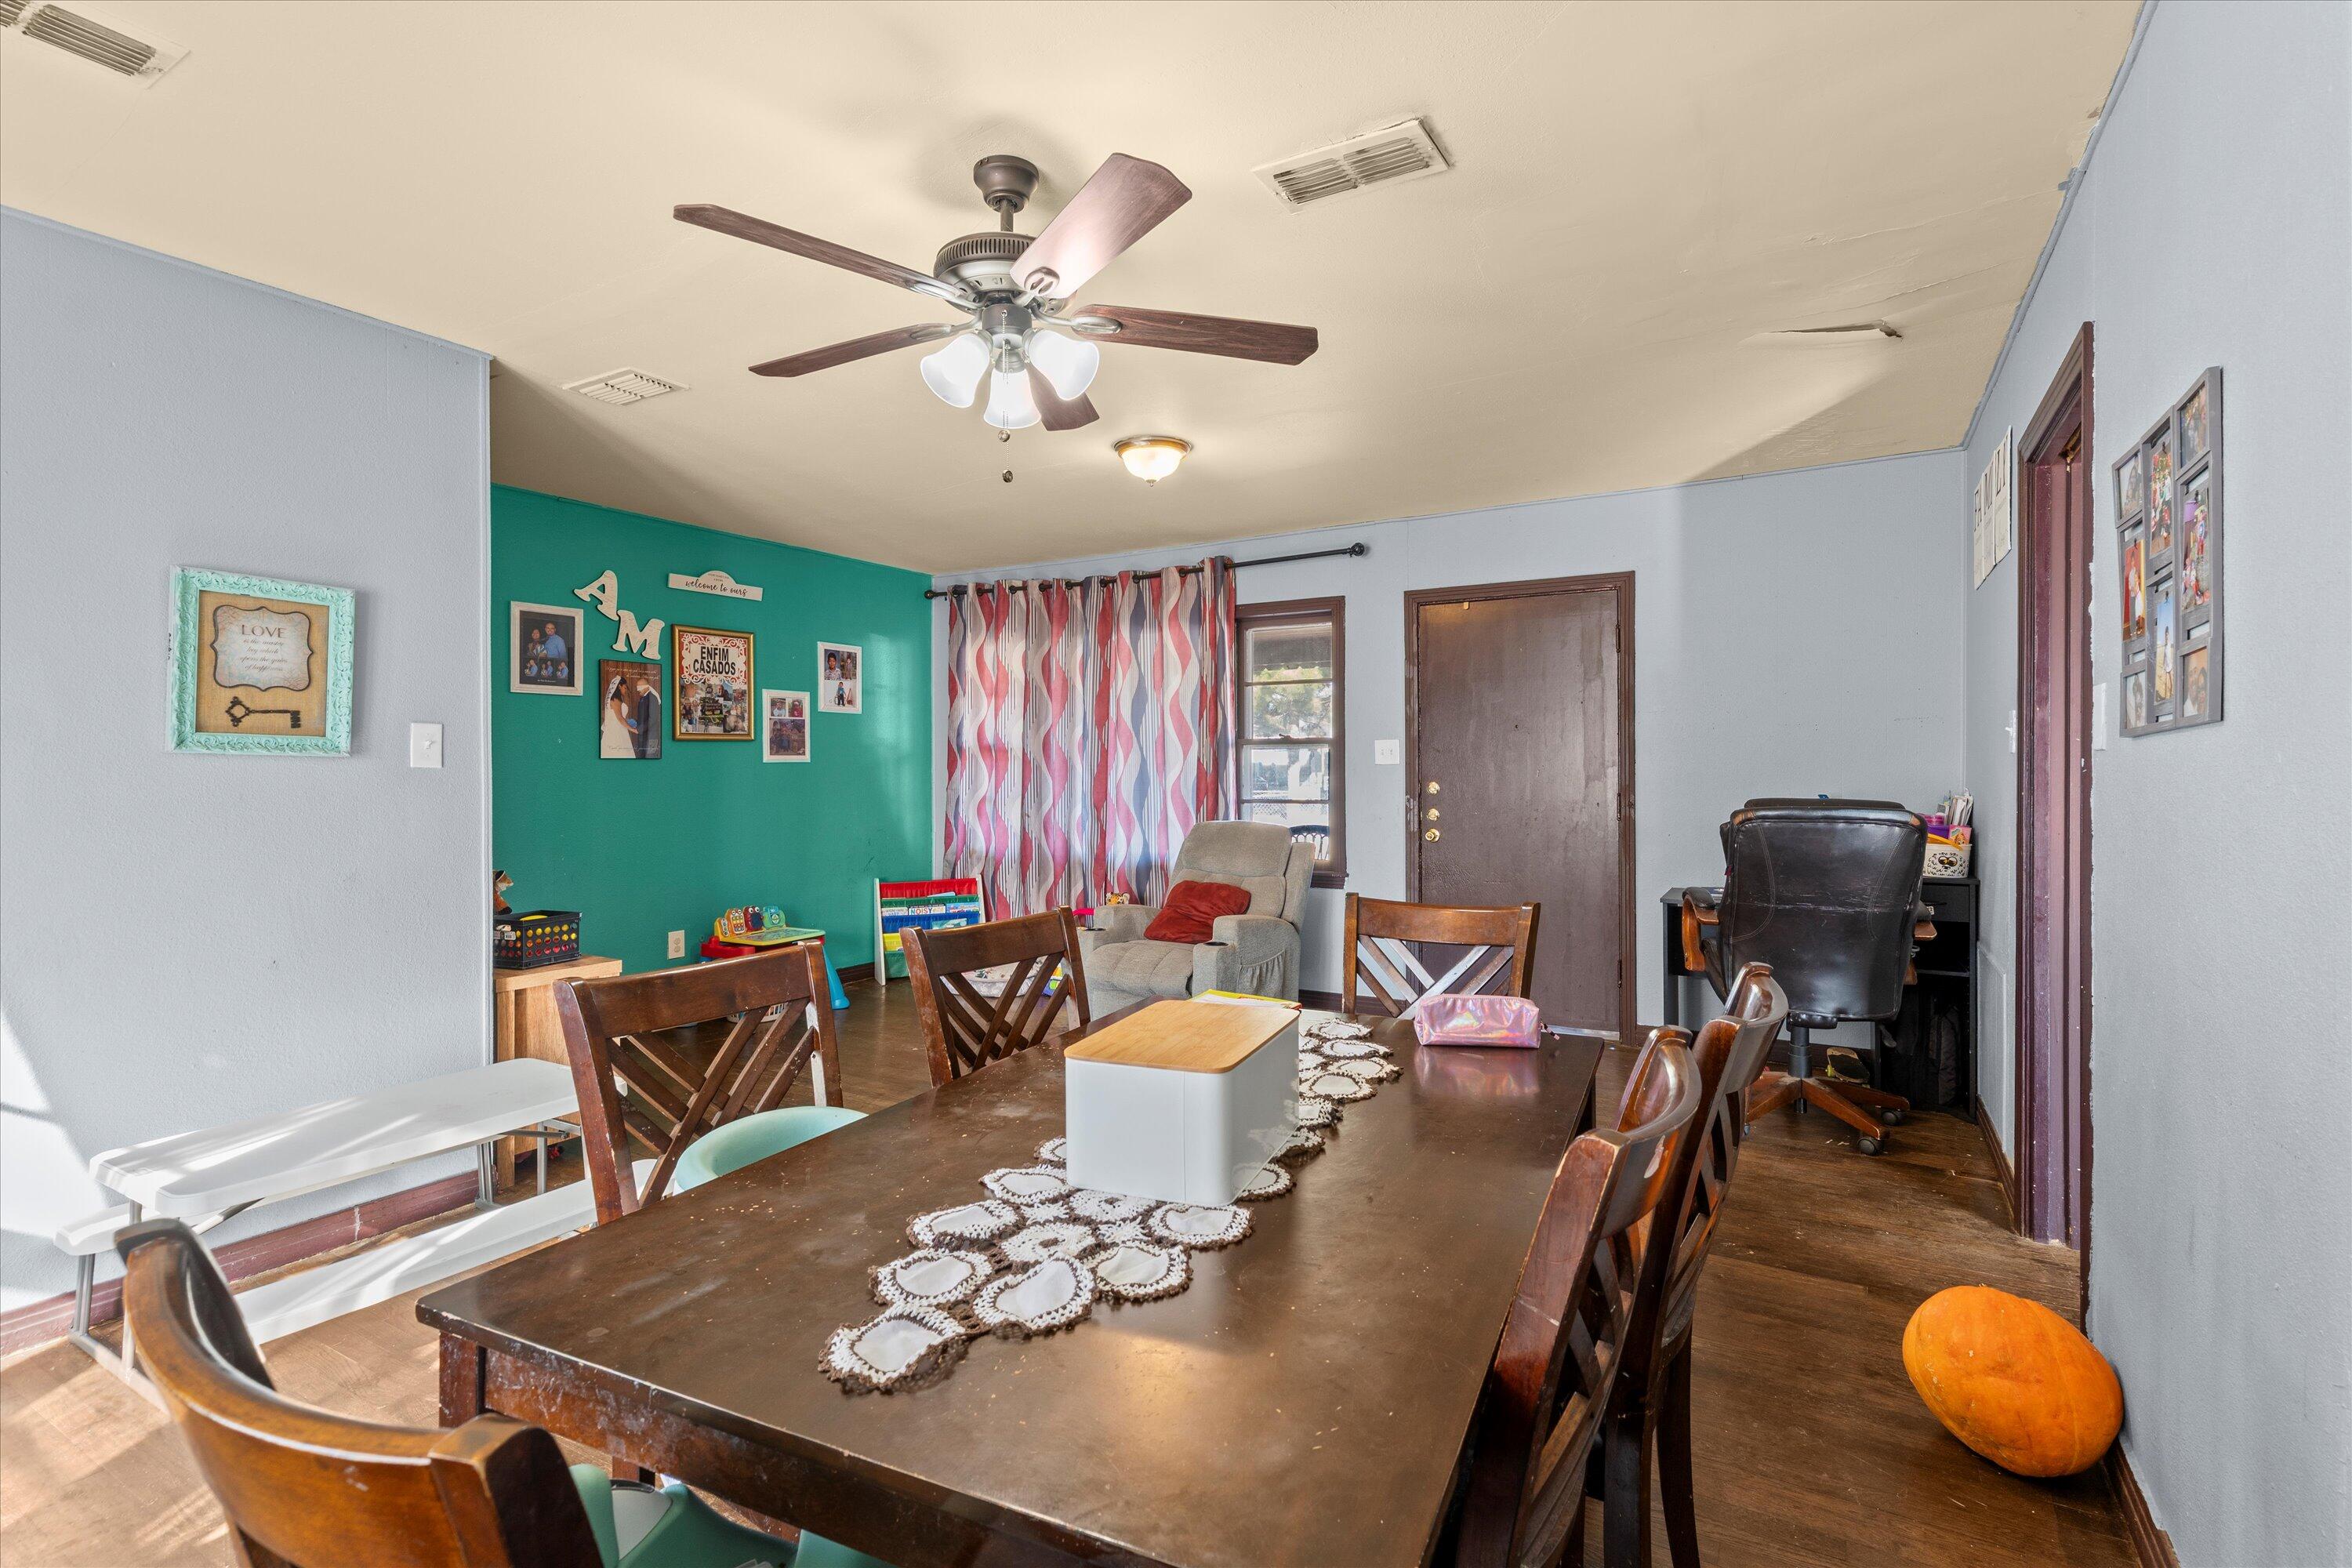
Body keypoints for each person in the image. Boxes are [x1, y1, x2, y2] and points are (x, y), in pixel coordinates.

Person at [631, 670, 662, 757]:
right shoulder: (643, 698)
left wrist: (640, 729)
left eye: (640, 688)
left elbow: (653, 719)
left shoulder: (652, 698)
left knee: (650, 757)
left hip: (651, 736)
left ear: (646, 687)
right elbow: (644, 717)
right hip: (644, 736)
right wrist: (635, 722)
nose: (638, 690)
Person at [601, 674, 633, 757]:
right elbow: (620, 718)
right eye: (625, 688)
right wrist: (633, 729)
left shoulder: (616, 700)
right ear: (619, 686)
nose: (626, 690)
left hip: (620, 729)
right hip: (617, 732)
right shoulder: (615, 700)